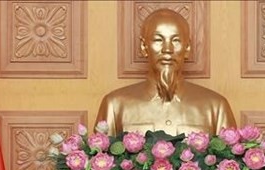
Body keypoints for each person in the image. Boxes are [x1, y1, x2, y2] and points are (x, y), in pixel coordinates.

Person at [96, 8, 236, 136]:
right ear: (144, 47)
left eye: (176, 40)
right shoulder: (115, 105)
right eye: (158, 40)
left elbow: (230, 160)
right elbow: (100, 158)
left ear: (187, 48)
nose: (167, 49)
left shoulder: (216, 107)